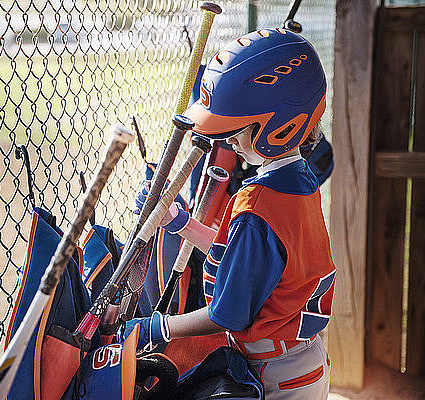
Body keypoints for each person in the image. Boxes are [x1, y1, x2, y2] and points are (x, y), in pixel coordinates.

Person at [120, 28, 336, 399]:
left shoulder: (257, 207)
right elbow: (245, 259)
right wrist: (181, 223)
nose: (227, 139)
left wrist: (157, 328)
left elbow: (227, 316)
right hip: (300, 363)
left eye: (236, 128)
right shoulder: (297, 182)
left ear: (280, 128)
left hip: (275, 375)